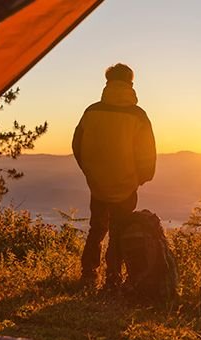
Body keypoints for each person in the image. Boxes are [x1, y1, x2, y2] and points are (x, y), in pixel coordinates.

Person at [72, 63, 156, 289]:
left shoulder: (92, 111)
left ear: (107, 82)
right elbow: (146, 151)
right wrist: (142, 176)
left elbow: (77, 145)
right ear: (130, 83)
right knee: (119, 230)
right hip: (127, 184)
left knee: (97, 229)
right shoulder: (138, 115)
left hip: (98, 184)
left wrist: (90, 171)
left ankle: (88, 275)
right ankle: (113, 278)